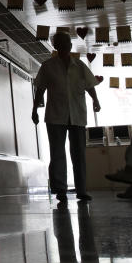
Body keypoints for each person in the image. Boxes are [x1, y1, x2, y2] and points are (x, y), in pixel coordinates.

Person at [32, 31, 101, 202]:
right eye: (61, 43)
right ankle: (60, 189)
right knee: (57, 153)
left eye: (67, 43)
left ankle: (82, 190)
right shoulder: (48, 66)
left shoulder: (80, 66)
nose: (64, 46)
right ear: (56, 46)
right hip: (55, 115)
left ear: (71, 46)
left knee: (79, 153)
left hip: (77, 114)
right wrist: (34, 109)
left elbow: (90, 85)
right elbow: (40, 88)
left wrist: (96, 100)